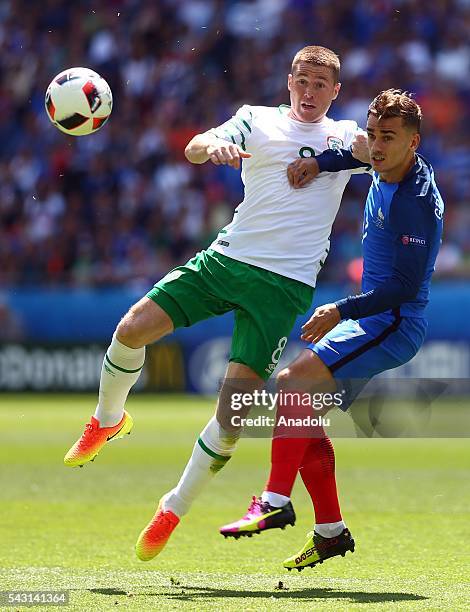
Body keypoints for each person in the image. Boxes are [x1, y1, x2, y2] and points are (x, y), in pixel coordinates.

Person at [64, 45, 367, 561]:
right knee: (132, 327)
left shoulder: (344, 136)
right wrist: (211, 148)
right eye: (303, 81)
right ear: (288, 81)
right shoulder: (255, 119)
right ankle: (107, 418)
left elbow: (385, 154)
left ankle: (172, 508)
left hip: (283, 286)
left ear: (336, 91)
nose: (311, 92)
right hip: (225, 261)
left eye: (322, 84)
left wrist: (329, 160)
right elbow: (197, 146)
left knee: (234, 412)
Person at [220, 90, 444, 572]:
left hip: (392, 323)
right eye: (375, 135)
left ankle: (276, 501)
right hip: (374, 319)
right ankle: (330, 532)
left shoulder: (417, 202)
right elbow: (354, 152)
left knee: (292, 384)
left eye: (390, 138)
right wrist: (321, 162)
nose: (378, 147)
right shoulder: (381, 160)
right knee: (301, 409)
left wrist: (339, 310)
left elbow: (404, 288)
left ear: (414, 142)